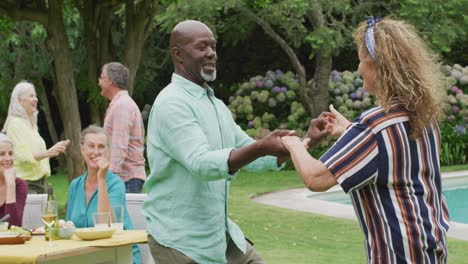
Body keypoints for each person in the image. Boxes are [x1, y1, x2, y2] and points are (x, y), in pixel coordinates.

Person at [142, 20, 315, 264]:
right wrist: (261, 146)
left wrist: (305, 141)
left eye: (213, 46)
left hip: (220, 236)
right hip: (181, 241)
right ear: (178, 55)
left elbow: (249, 152)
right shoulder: (172, 103)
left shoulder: (216, 105)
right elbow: (201, 164)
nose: (211, 53)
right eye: (202, 47)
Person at [281, 17, 450, 263]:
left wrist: (293, 143)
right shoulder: (423, 116)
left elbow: (315, 178)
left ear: (377, 67)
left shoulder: (375, 125)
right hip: (429, 250)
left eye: (361, 60)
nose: (359, 68)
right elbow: (392, 159)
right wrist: (349, 130)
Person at [66, 125, 140, 263]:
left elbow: (105, 225)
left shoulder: (116, 184)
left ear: (108, 152)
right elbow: (69, 228)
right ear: (82, 149)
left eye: (101, 147)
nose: (96, 151)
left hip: (118, 255)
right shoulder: (75, 185)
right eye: (91, 146)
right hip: (86, 256)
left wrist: (101, 178)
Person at [2, 81, 70, 194]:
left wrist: (54, 150)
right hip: (26, 185)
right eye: (31, 96)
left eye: (35, 96)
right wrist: (49, 152)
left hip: (39, 183)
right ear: (19, 100)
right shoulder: (15, 124)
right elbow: (23, 156)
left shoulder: (30, 124)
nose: (36, 99)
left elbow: (37, 155)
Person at [98, 62, 146, 193]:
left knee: (120, 214)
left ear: (111, 81)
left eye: (101, 78)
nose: (99, 82)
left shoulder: (122, 106)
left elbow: (119, 147)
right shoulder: (119, 104)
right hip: (124, 179)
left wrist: (108, 177)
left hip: (125, 179)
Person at [0, 133, 28, 227]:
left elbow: (13, 227)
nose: (8, 158)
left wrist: (11, 185)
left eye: (10, 154)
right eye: (1, 154)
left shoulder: (19, 185)